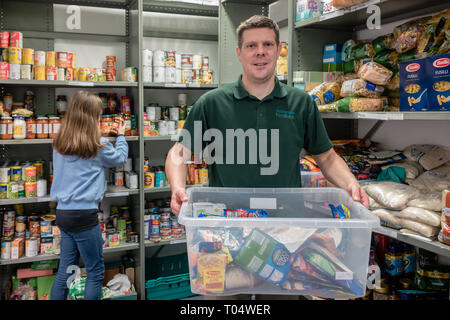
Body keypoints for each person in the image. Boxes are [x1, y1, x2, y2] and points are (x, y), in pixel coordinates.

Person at [165, 15, 369, 299]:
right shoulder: (212, 103)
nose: (260, 52)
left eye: (267, 44)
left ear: (278, 50)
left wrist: (351, 185)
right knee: (226, 299)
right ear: (239, 52)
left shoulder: (301, 104)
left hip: (285, 234)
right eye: (251, 46)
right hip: (225, 230)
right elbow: (178, 153)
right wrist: (178, 187)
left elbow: (327, 157)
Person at [50, 91, 128, 300]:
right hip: (84, 215)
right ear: (92, 117)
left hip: (63, 214)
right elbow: (120, 158)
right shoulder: (96, 143)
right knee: (95, 271)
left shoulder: (60, 142)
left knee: (66, 270)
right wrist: (121, 135)